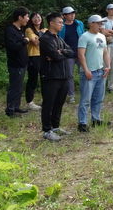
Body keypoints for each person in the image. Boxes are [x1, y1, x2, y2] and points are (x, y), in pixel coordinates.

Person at [40, 12, 75, 141]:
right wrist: (58, 54)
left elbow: (71, 52)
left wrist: (62, 52)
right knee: (49, 103)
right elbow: (56, 56)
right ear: (51, 23)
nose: (62, 24)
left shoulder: (59, 39)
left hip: (64, 76)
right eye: (59, 22)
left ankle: (55, 126)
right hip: (51, 76)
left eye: (62, 22)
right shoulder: (45, 39)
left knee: (59, 103)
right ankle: (47, 130)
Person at [76, 15, 111, 132]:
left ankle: (96, 119)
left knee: (98, 98)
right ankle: (82, 123)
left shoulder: (102, 36)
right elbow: (81, 55)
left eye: (101, 23)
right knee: (86, 99)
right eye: (98, 23)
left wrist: (108, 66)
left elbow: (105, 52)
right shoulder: (84, 37)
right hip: (89, 72)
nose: (100, 25)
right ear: (91, 23)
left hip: (100, 71)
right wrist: (86, 70)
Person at [4, 7, 30, 117]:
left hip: (22, 63)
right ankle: (10, 110)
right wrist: (25, 41)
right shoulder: (10, 30)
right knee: (14, 87)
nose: (28, 19)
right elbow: (13, 46)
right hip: (15, 64)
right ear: (20, 17)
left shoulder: (20, 30)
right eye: (27, 16)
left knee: (19, 87)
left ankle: (16, 107)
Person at [60, 6, 84, 104]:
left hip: (80, 52)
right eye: (70, 14)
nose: (72, 15)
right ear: (64, 16)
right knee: (69, 75)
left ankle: (85, 93)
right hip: (68, 54)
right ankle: (71, 95)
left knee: (83, 73)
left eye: (73, 13)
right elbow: (60, 38)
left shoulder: (79, 23)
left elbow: (83, 35)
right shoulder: (62, 26)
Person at [25, 12, 46, 111]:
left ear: (41, 19)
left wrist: (40, 37)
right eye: (34, 17)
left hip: (44, 56)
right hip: (33, 56)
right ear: (31, 20)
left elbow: (49, 42)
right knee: (32, 79)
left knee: (45, 79)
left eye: (38, 17)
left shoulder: (45, 30)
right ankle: (30, 102)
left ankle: (45, 99)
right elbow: (36, 43)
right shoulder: (29, 30)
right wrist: (43, 38)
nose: (36, 19)